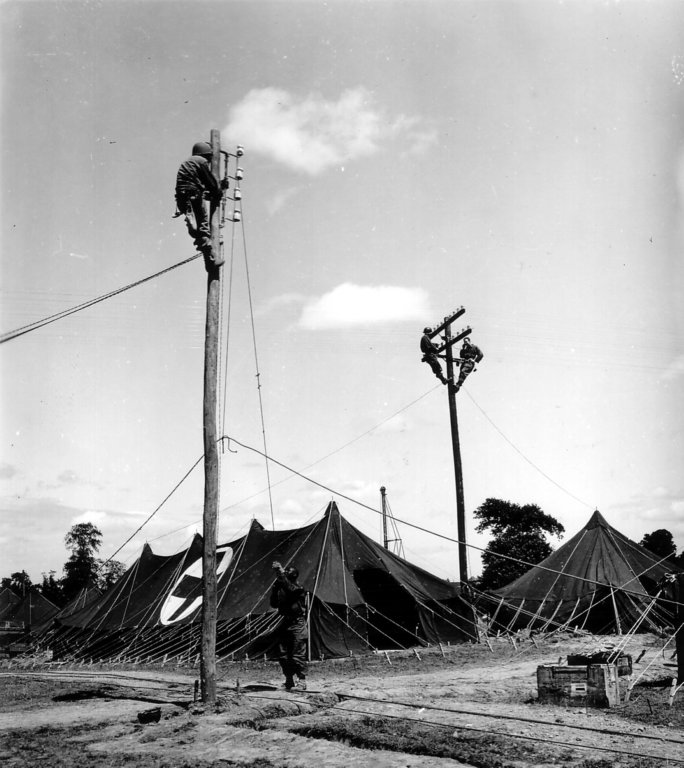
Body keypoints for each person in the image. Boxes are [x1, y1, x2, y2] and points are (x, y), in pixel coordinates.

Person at [174, 141, 227, 268]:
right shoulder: (200, 161)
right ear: (206, 155)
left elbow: (203, 186)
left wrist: (215, 189)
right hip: (193, 195)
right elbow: (211, 184)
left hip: (183, 199)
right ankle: (211, 259)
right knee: (203, 226)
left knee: (196, 229)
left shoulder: (189, 163)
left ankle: (209, 260)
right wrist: (219, 190)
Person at [269, 561, 308, 691]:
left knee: (297, 653)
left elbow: (291, 590)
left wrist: (280, 574)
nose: (284, 574)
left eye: (287, 573)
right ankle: (289, 680)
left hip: (297, 623)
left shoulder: (298, 588)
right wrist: (275, 589)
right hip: (285, 622)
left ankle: (301, 681)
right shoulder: (283, 588)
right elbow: (274, 604)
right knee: (283, 654)